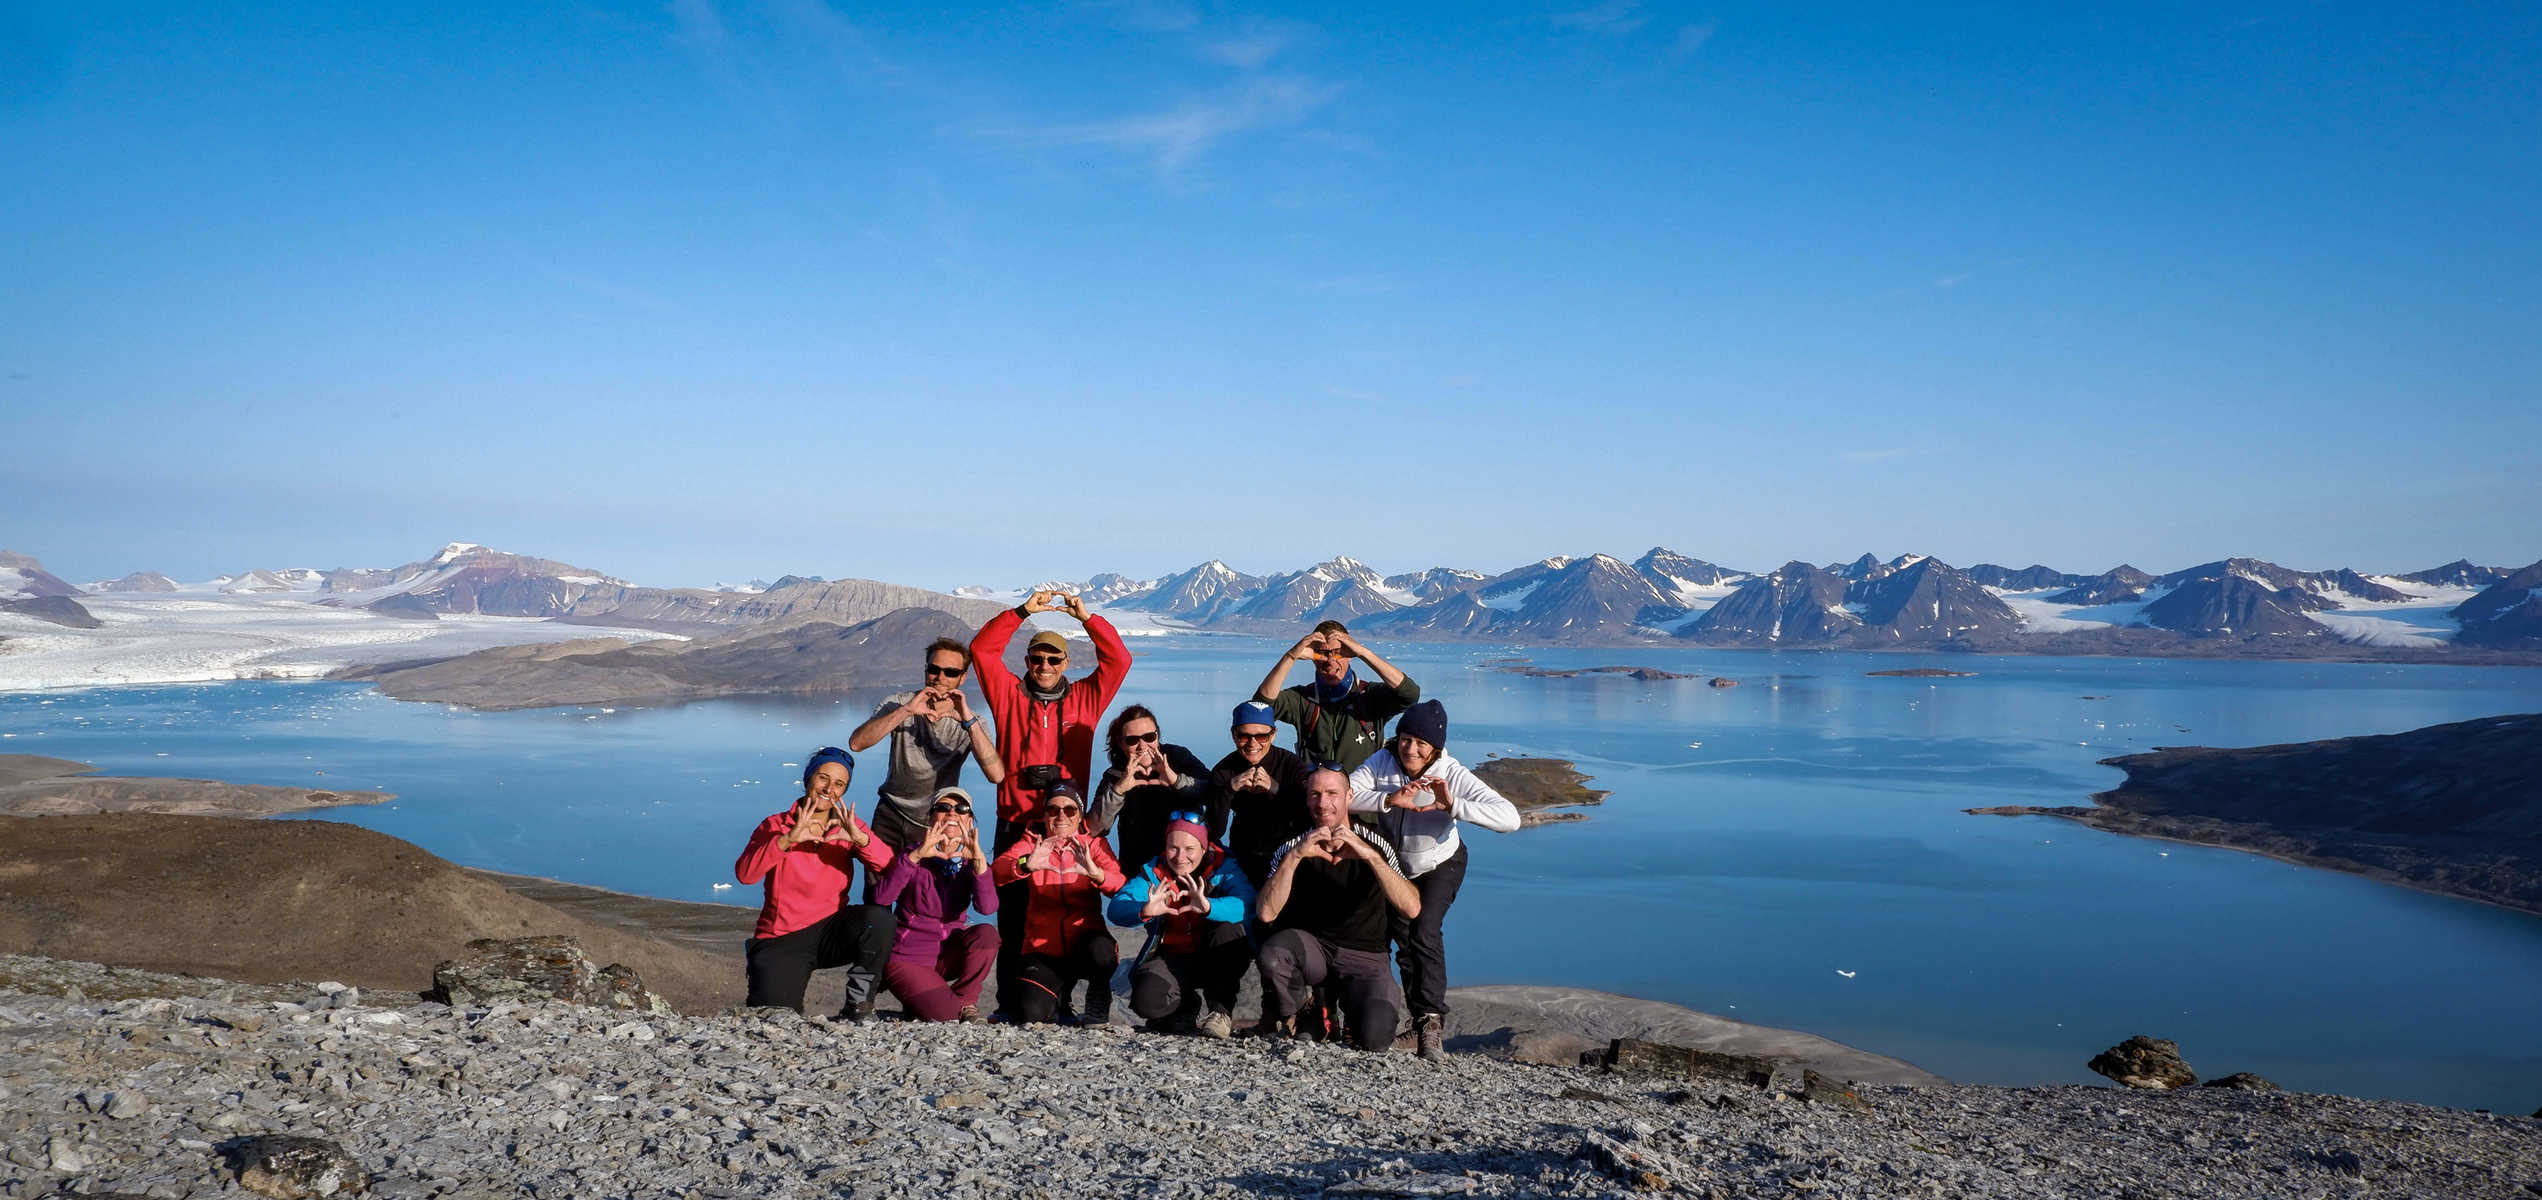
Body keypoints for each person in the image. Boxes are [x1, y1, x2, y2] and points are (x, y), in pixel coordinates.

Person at [1347, 700, 1519, 1060]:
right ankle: (1418, 1019)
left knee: (1424, 929)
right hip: (1397, 865)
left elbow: (1509, 818)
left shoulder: (1451, 773)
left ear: (1435, 747)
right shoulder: (1383, 760)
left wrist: (1452, 805)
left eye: (1420, 743)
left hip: (1442, 862)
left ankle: (1431, 1023)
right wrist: (1390, 799)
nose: (1410, 749)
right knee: (1404, 940)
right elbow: (1346, 794)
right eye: (1405, 739)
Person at [1254, 769, 1422, 1053]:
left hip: (1366, 957)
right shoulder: (1293, 846)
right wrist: (1295, 857)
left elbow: (1411, 907)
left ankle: (1351, 1018)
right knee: (1273, 957)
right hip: (1314, 951)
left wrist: (1370, 858)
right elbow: (1266, 913)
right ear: (1307, 800)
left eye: (1332, 794)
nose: (1323, 804)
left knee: (1375, 1038)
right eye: (1315, 795)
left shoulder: (1375, 843)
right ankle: (1310, 1011)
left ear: (1349, 797)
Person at [733, 747, 898, 1019]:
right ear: (808, 778)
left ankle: (858, 1007)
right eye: (823, 778)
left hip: (831, 931)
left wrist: (861, 840)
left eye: (839, 784)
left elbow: (892, 868)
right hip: (782, 938)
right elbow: (746, 874)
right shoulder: (776, 825)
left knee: (878, 920)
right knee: (774, 1023)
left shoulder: (847, 825)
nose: (829, 788)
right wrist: (787, 840)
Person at [968, 589, 1133, 839]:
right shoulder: (1008, 695)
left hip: (1065, 821)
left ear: (1065, 663)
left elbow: (1119, 660)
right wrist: (1021, 612)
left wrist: (1087, 620)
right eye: (1037, 659)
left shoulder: (1085, 698)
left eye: (1054, 660)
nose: (1045, 667)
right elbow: (982, 650)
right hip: (1015, 821)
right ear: (1027, 661)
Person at [846, 637, 1007, 855]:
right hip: (890, 815)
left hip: (935, 820)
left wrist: (968, 721)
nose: (940, 678)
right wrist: (906, 711)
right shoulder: (899, 703)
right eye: (934, 669)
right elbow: (856, 744)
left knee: (925, 887)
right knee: (880, 887)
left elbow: (996, 775)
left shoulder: (972, 721)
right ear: (926, 670)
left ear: (962, 678)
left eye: (950, 672)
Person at [989, 783, 1127, 1025]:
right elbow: (997, 872)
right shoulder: (1033, 842)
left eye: (1070, 810)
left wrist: (1096, 874)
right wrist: (1025, 865)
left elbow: (1120, 885)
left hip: (1084, 944)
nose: (1061, 815)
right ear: (1045, 815)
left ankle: (1098, 995)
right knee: (1034, 1015)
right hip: (1044, 949)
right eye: (1053, 809)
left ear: (1080, 815)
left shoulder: (1093, 845)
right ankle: (1059, 998)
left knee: (1103, 951)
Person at [1106, 816, 1255, 1039]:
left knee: (1228, 929)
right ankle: (1186, 1006)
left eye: (1189, 848)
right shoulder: (1154, 874)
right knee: (1146, 1003)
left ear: (1204, 848)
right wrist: (1145, 909)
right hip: (1173, 957)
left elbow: (1248, 903)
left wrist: (1209, 907)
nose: (1180, 857)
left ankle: (1220, 1011)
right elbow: (1116, 908)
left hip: (1214, 955)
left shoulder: (1224, 868)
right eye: (1173, 848)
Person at [873, 787, 999, 1022]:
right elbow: (882, 898)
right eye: (943, 808)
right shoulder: (912, 855)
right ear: (931, 817)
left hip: (947, 955)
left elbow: (988, 908)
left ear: (970, 820)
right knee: (947, 1017)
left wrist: (980, 864)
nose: (952, 813)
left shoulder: (971, 862)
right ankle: (933, 1002)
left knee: (987, 936)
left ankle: (965, 1000)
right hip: (908, 958)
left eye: (961, 809)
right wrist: (916, 857)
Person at [1253, 620, 1420, 773]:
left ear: (1350, 654)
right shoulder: (1304, 700)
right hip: (1315, 799)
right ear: (1312, 657)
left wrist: (1363, 653)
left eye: (1338, 652)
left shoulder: (1369, 696)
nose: (1330, 660)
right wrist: (1291, 656)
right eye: (1322, 653)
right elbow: (1260, 707)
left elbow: (1410, 694)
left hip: (1361, 798)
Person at [1088, 704, 1222, 873]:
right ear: (1121, 744)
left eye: (1149, 737)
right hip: (1141, 871)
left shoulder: (1177, 757)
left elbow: (1214, 795)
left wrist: (1176, 780)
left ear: (1157, 736)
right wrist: (1118, 791)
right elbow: (1094, 828)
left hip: (1189, 864)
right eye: (1132, 740)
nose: (1142, 746)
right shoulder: (1116, 775)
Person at [1212, 699, 1314, 887]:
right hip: (1243, 858)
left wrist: (1276, 789)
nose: (1252, 744)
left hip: (1289, 855)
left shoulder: (1291, 764)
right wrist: (1228, 790)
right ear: (1234, 735)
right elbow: (1215, 830)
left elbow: (1309, 815)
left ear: (1273, 735)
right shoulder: (1224, 770)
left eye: (1261, 737)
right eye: (1244, 736)